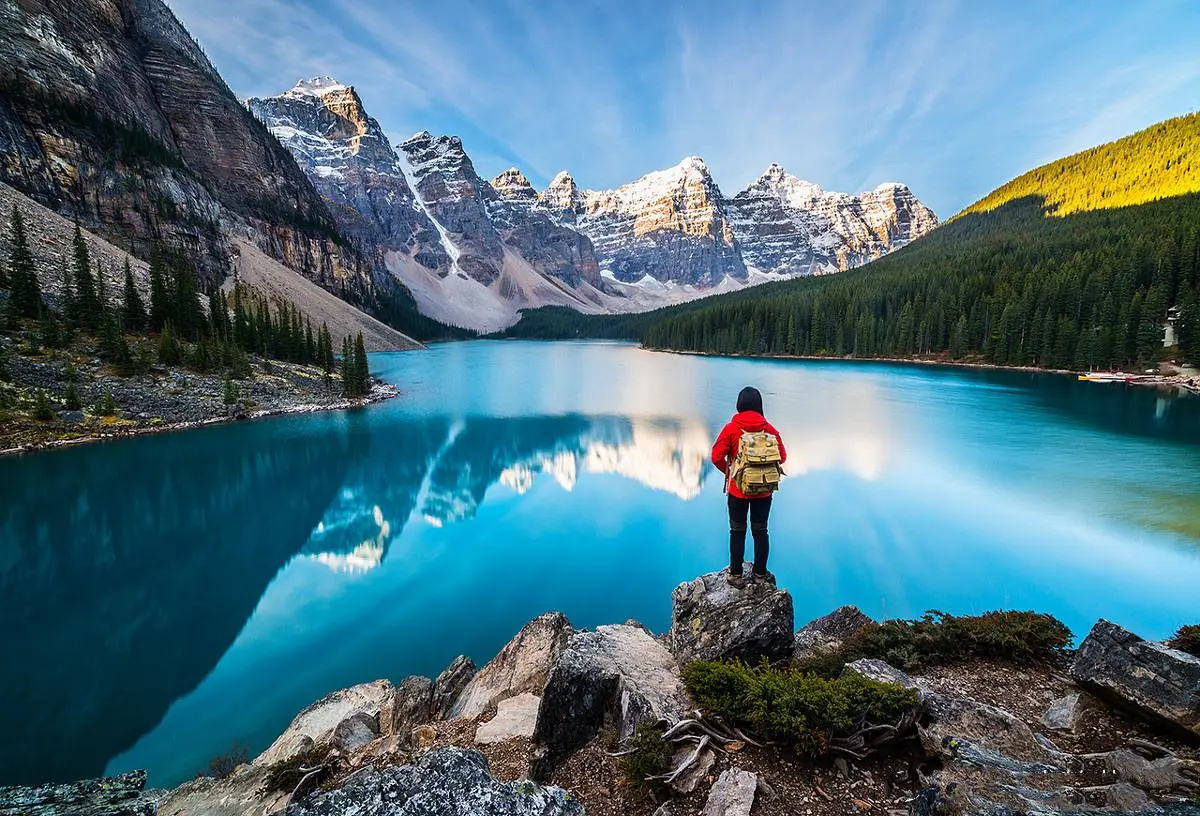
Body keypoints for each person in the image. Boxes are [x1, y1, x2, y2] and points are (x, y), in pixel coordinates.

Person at [710, 386, 787, 588]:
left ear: (739, 405)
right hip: (764, 490)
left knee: (737, 531)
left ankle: (736, 574)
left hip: (738, 491)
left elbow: (716, 456)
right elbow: (783, 456)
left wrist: (731, 472)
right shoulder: (769, 429)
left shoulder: (731, 429)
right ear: (759, 405)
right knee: (760, 531)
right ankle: (759, 574)